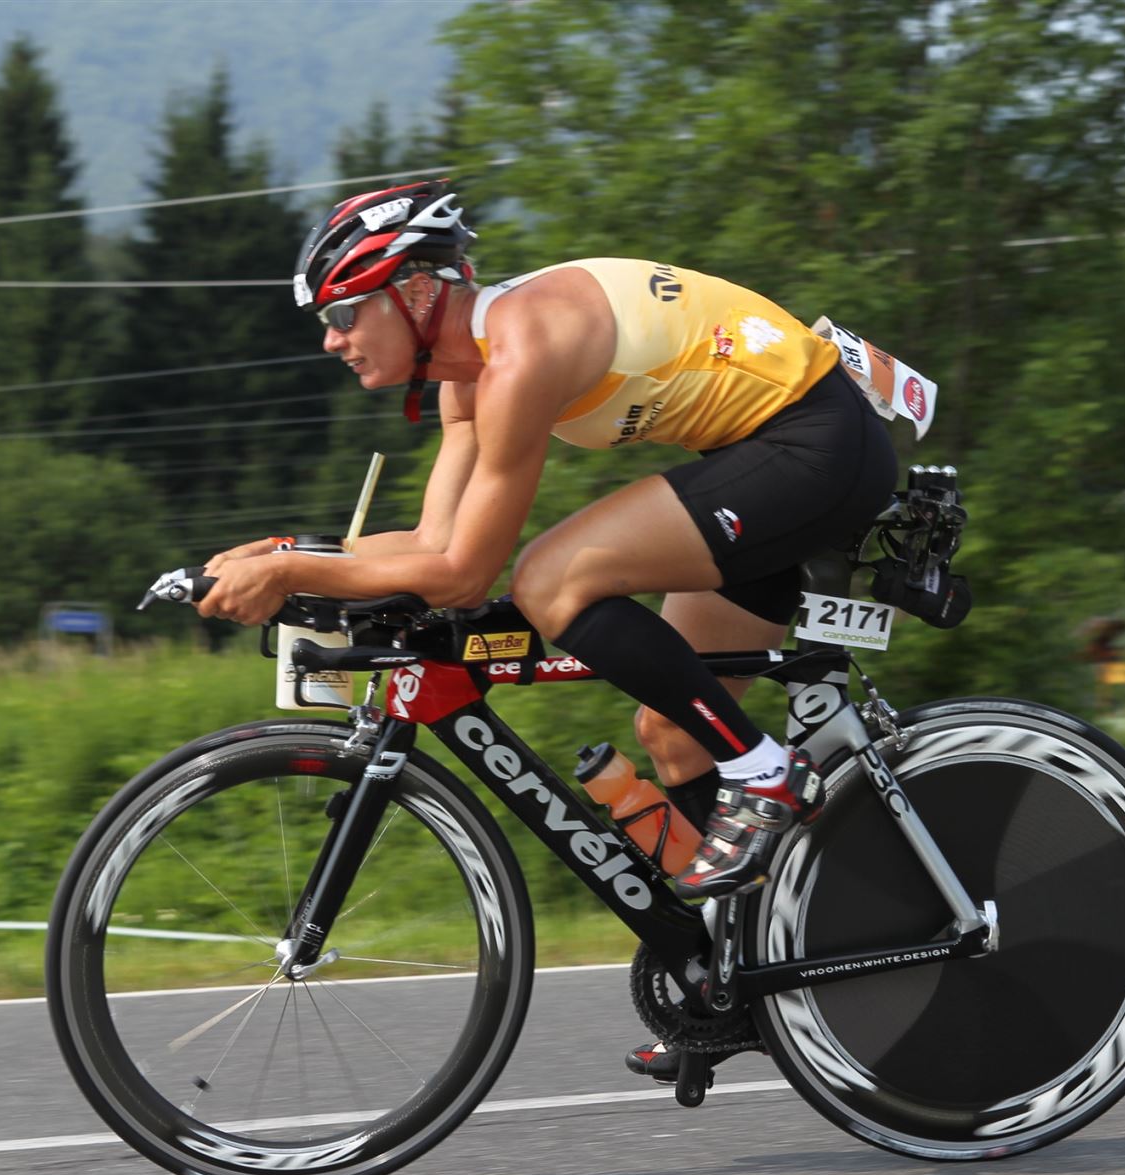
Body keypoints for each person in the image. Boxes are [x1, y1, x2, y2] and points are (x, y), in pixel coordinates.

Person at [198, 180, 899, 1077]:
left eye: (343, 313)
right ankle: (743, 977)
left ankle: (765, 771)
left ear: (416, 293)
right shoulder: (466, 379)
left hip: (814, 445)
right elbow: (429, 543)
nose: (331, 340)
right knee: (674, 736)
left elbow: (466, 573)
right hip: (757, 459)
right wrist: (289, 554)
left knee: (551, 579)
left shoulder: (523, 349)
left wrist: (294, 572)